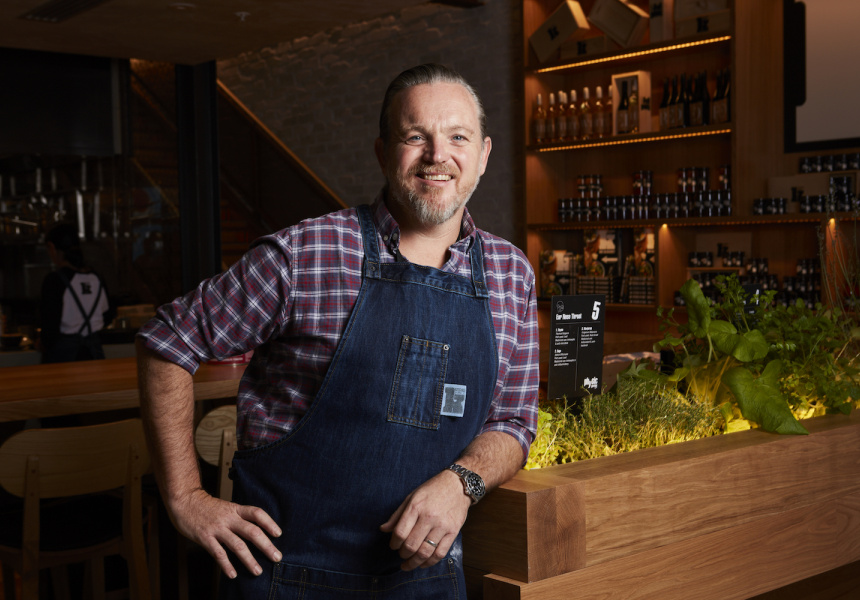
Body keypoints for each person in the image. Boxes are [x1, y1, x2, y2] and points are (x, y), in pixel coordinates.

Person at [136, 63, 539, 598]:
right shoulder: (305, 254)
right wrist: (186, 497)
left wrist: (462, 483)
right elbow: (167, 341)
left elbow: (513, 420)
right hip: (286, 575)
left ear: (483, 155)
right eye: (415, 137)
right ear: (383, 152)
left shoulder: (511, 274)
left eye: (458, 137)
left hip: (427, 581)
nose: (437, 155)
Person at [40, 222, 114, 363]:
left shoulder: (54, 280)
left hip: (64, 356)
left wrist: (43, 343)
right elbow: (108, 315)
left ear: (52, 248)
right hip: (93, 353)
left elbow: (49, 328)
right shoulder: (96, 278)